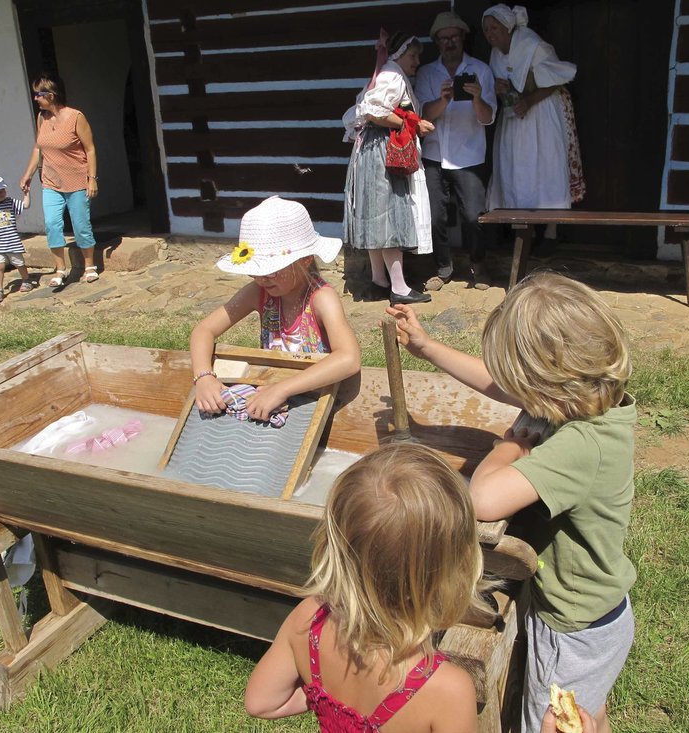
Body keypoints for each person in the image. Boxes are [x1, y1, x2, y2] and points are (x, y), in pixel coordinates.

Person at [387, 271, 636, 733]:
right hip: (600, 616)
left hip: (571, 627)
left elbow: (482, 499)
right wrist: (426, 347)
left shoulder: (580, 444)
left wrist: (511, 447)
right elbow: (495, 384)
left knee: (553, 723)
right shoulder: (593, 402)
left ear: (545, 383)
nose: (517, 397)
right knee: (588, 711)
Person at [244, 442, 488, 731]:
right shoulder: (447, 689)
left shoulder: (310, 619)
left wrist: (324, 697)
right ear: (452, 567)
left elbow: (261, 702)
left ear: (337, 545)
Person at [190, 196, 360, 421]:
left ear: (305, 260)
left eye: (272, 271)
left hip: (310, 401)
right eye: (256, 271)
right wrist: (203, 376)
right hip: (267, 399)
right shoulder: (259, 293)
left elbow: (349, 358)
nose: (262, 278)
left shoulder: (321, 299)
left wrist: (283, 389)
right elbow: (204, 331)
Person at [343, 31, 436, 306]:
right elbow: (373, 110)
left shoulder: (388, 73)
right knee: (389, 215)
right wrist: (413, 125)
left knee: (376, 215)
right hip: (383, 151)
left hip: (371, 151)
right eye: (413, 55)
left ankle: (378, 281)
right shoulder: (392, 75)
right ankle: (399, 288)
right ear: (398, 55)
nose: (417, 60)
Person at [482, 5, 585, 248]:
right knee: (517, 166)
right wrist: (503, 92)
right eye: (486, 29)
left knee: (545, 164)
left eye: (494, 28)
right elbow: (506, 85)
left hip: (541, 112)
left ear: (508, 27)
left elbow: (556, 79)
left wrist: (528, 100)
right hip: (515, 116)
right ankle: (522, 227)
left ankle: (550, 229)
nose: (490, 33)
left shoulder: (533, 45)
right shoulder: (496, 54)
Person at [414, 11, 497, 292]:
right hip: (435, 153)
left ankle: (479, 265)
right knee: (435, 215)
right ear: (437, 42)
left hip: (469, 154)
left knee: (474, 215)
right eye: (443, 38)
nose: (449, 42)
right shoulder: (427, 72)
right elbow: (424, 113)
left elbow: (488, 118)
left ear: (463, 38)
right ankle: (442, 268)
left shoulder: (481, 70)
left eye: (454, 37)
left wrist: (475, 97)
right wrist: (444, 99)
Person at [18, 73, 100, 288]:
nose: (35, 98)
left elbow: (90, 149)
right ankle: (60, 269)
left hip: (77, 180)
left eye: (39, 94)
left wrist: (92, 179)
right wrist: (28, 175)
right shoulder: (41, 118)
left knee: (81, 224)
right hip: (51, 182)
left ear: (51, 95)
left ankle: (89, 265)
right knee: (53, 224)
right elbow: (38, 148)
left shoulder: (75, 117)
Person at [0, 174, 34, 304]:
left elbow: (25, 205)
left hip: (12, 242)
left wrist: (26, 194)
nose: (0, 193)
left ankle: (26, 280)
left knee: (19, 263)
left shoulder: (10, 202)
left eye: (2, 189)